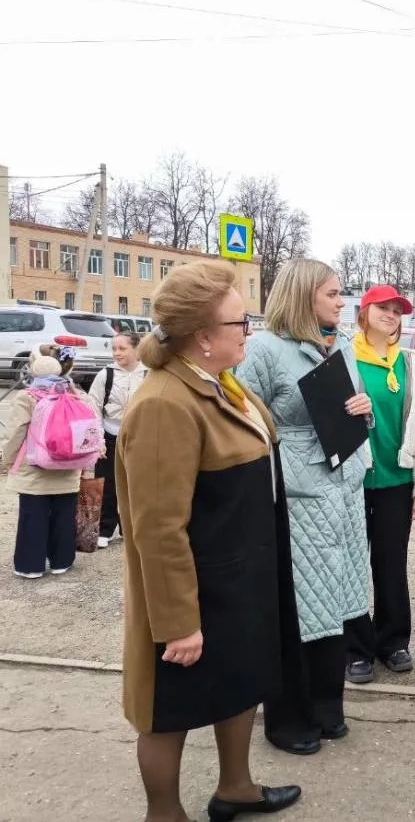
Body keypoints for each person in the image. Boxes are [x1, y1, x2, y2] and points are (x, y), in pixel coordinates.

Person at [117, 260, 301, 822]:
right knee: (167, 709)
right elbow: (156, 526)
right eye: (240, 320)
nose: (250, 329)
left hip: (237, 580)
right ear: (202, 337)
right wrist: (178, 622)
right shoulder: (163, 405)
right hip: (193, 589)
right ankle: (164, 813)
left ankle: (236, 789)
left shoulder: (220, 382)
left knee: (242, 681)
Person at [236, 259, 372, 755]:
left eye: (341, 294)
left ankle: (327, 707)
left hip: (342, 487)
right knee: (297, 608)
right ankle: (288, 718)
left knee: (333, 601)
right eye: (332, 293)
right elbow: (239, 415)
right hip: (296, 493)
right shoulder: (264, 350)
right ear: (303, 295)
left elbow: (355, 406)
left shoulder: (341, 346)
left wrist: (365, 410)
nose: (342, 301)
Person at [343, 286, 415, 685]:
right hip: (353, 480)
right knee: (350, 566)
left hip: (397, 480)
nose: (391, 315)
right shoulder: (343, 359)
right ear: (364, 313)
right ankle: (356, 649)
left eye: (397, 311)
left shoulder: (412, 364)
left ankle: (393, 641)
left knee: (391, 564)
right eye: (383, 308)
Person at [3, 346, 99, 579]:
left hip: (35, 466)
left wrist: (7, 459)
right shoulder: (75, 394)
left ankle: (30, 566)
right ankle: (61, 561)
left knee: (32, 516)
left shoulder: (27, 396)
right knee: (64, 515)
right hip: (69, 465)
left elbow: (17, 431)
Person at [88, 331, 148, 548]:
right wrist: (98, 440)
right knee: (106, 483)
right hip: (110, 434)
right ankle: (104, 528)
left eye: (122, 348)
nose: (117, 353)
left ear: (136, 349)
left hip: (139, 437)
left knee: (136, 483)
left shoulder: (148, 374)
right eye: (114, 349)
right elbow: (93, 407)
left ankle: (129, 527)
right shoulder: (106, 375)